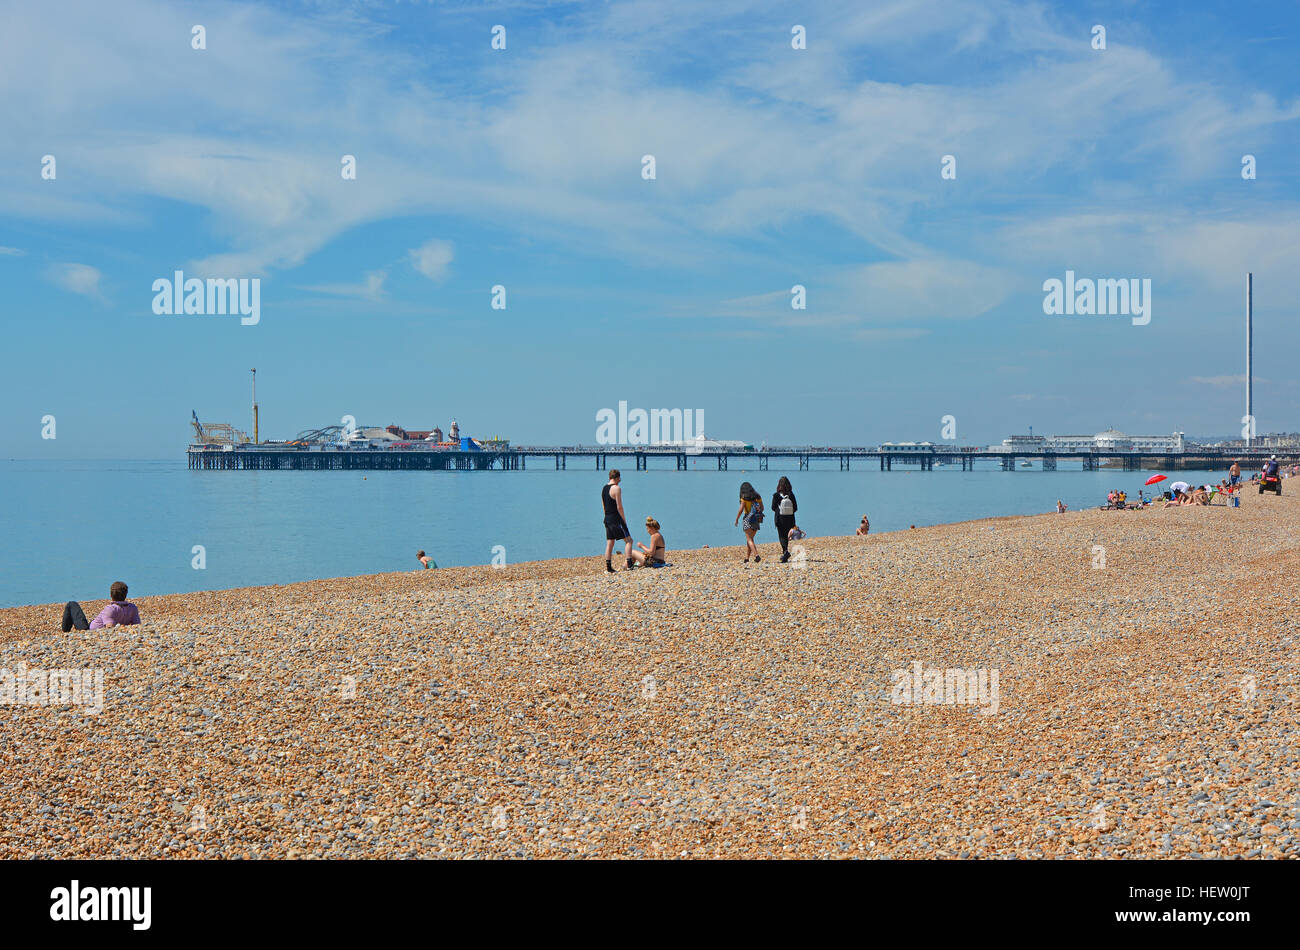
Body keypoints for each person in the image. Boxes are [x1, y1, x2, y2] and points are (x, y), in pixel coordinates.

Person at [62, 581, 140, 632]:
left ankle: (65, 632)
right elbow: (137, 625)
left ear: (111, 595)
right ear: (126, 594)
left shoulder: (110, 608)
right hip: (95, 624)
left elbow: (109, 627)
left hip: (87, 629)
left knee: (72, 604)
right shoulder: (132, 608)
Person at [602, 469, 634, 572]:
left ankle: (608, 567)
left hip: (607, 517)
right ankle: (629, 564)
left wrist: (606, 517)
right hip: (616, 518)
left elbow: (604, 506)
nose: (620, 480)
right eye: (619, 478)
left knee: (610, 542)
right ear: (617, 478)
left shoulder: (604, 488)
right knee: (629, 540)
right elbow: (619, 507)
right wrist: (624, 520)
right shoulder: (616, 488)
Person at [734, 481, 764, 562]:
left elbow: (741, 510)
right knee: (751, 539)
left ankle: (757, 555)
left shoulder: (744, 498)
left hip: (748, 518)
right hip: (756, 519)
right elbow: (762, 508)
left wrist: (736, 519)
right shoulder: (757, 496)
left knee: (749, 539)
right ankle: (747, 558)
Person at [772, 476, 798, 563]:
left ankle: (785, 551)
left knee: (781, 536)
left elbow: (773, 507)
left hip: (779, 518)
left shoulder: (776, 495)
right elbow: (795, 508)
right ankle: (785, 552)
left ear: (779, 485)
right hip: (790, 519)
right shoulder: (791, 495)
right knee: (786, 535)